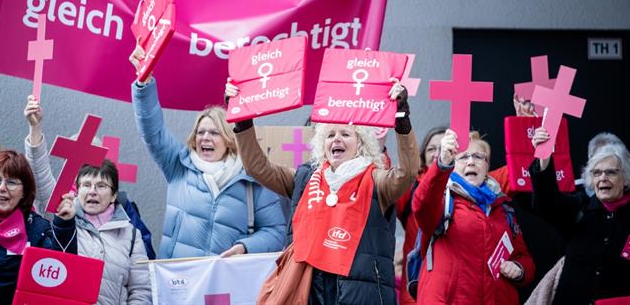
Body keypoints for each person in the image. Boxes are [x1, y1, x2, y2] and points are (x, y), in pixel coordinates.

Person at [227, 79, 419, 304]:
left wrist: (401, 121)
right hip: (311, 292)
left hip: (361, 295)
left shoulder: (377, 180)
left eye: (346, 134)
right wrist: (242, 121)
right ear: (322, 145)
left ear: (361, 144)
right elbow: (257, 167)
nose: (336, 138)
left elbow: (407, 173)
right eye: (330, 135)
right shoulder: (306, 178)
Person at [129, 47, 285, 259]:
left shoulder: (253, 177)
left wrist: (245, 247)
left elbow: (275, 232)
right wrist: (144, 83)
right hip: (179, 277)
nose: (205, 138)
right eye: (200, 132)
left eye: (214, 133)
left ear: (229, 140)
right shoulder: (178, 165)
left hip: (227, 281)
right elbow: (152, 130)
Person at [23, 97, 152, 305]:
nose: (93, 192)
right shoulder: (62, 212)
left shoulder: (130, 234)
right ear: (77, 188)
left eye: (101, 186)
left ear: (113, 195)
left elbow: (141, 289)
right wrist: (34, 128)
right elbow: (39, 173)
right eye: (86, 185)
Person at [412, 129, 535, 305]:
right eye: (463, 157)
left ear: (487, 166)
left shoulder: (502, 208)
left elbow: (524, 258)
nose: (471, 162)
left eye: (478, 157)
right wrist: (441, 165)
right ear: (453, 165)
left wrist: (519, 269)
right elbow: (421, 206)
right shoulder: (443, 199)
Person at [529, 128, 630, 304]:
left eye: (611, 172)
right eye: (597, 173)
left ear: (626, 178)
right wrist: (544, 157)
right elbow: (547, 202)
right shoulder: (580, 207)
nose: (603, 178)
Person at [0, 150, 76, 305]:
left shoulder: (37, 229)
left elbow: (63, 276)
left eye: (11, 182)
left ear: (24, 192)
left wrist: (64, 225)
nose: (1, 187)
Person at [395, 126, 446, 304]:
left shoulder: (467, 186)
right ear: (423, 154)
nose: (437, 153)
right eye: (432, 149)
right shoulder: (410, 185)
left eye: (443, 147)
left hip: (451, 278)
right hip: (415, 281)